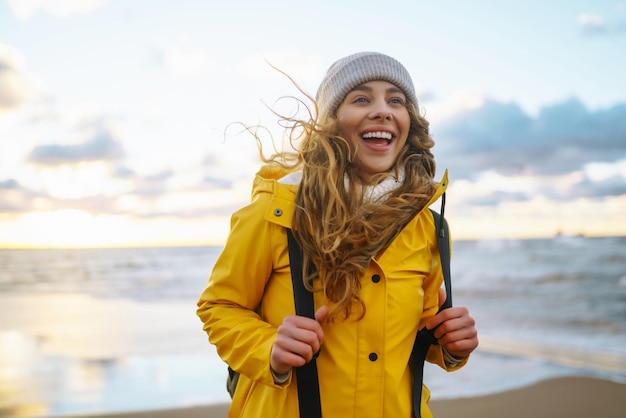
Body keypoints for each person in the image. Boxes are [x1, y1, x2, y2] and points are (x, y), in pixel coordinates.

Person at [197, 51, 478, 418]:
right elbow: (220, 307)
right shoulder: (277, 211)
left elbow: (420, 337)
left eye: (396, 100)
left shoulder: (430, 228)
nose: (383, 110)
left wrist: (451, 344)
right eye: (361, 99)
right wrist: (268, 348)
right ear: (332, 122)